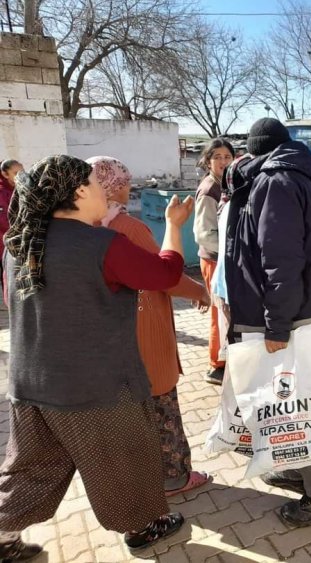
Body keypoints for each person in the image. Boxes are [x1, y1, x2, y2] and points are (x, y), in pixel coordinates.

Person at [0, 155, 192, 559]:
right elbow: (164, 275)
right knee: (126, 461)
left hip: (29, 384)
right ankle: (144, 527)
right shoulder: (100, 244)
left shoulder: (19, 245)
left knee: (31, 468)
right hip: (95, 388)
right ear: (80, 191)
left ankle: (3, 538)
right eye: (94, 181)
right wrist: (174, 226)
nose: (104, 189)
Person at [224, 118, 311, 527]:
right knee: (288, 400)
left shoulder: (276, 181)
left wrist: (277, 325)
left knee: (293, 404)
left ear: (256, 149)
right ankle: (298, 467)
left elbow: (280, 261)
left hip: (286, 316)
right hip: (293, 310)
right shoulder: (300, 177)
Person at [87, 155, 213, 497]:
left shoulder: (83, 228)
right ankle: (174, 478)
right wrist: (200, 291)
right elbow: (165, 278)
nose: (130, 187)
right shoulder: (128, 229)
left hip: (106, 342)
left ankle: (136, 478)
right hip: (142, 332)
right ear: (110, 187)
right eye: (124, 182)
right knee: (161, 408)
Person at [194, 138, 235, 385]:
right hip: (214, 259)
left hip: (223, 258)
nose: (222, 161)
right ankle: (216, 365)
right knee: (218, 311)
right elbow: (203, 233)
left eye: (227, 156)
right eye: (217, 157)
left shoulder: (227, 184)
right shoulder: (210, 188)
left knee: (224, 311)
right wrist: (229, 252)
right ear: (208, 161)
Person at [0, 160, 22, 300]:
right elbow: (5, 222)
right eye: (16, 173)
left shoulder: (19, 190)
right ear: (5, 174)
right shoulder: (2, 193)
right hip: (5, 246)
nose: (20, 176)